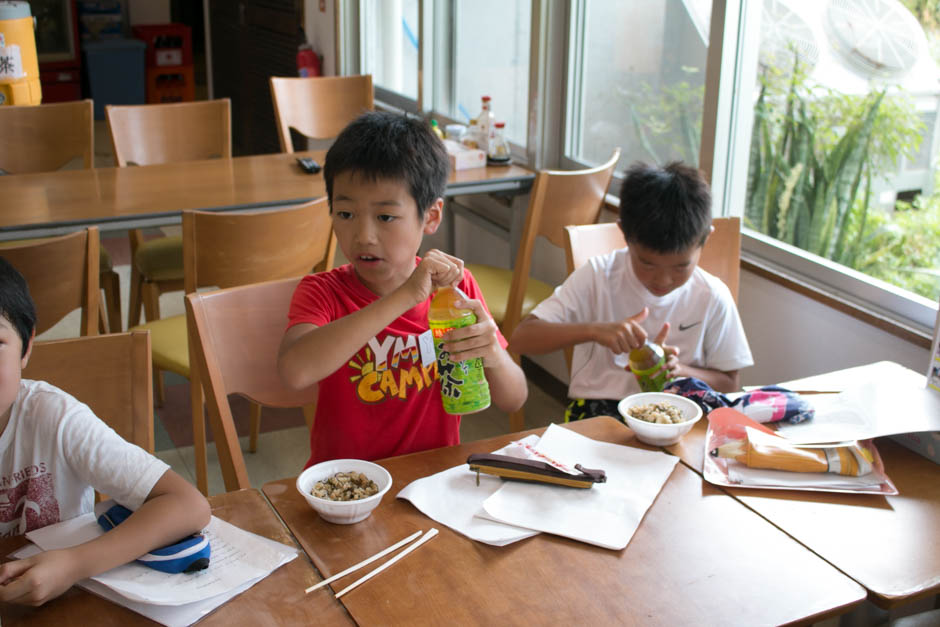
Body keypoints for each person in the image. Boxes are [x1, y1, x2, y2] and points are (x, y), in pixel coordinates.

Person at [278, 112, 527, 467]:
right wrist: (405, 296)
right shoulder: (323, 292)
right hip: (348, 485)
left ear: (430, 217)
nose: (363, 235)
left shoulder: (454, 289)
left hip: (431, 479)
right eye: (346, 214)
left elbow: (514, 399)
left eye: (385, 217)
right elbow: (294, 372)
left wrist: (493, 354)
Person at [0, 257, 210, 607]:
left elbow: (188, 505)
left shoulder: (53, 417)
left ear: (27, 346)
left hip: (66, 600)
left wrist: (73, 564)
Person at [509, 161, 753, 422]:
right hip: (601, 412)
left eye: (681, 267)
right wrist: (594, 330)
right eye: (647, 263)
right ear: (624, 232)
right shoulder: (598, 276)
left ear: (706, 237)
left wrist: (680, 370)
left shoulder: (712, 294)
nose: (663, 279)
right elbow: (522, 338)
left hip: (678, 414)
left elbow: (729, 382)